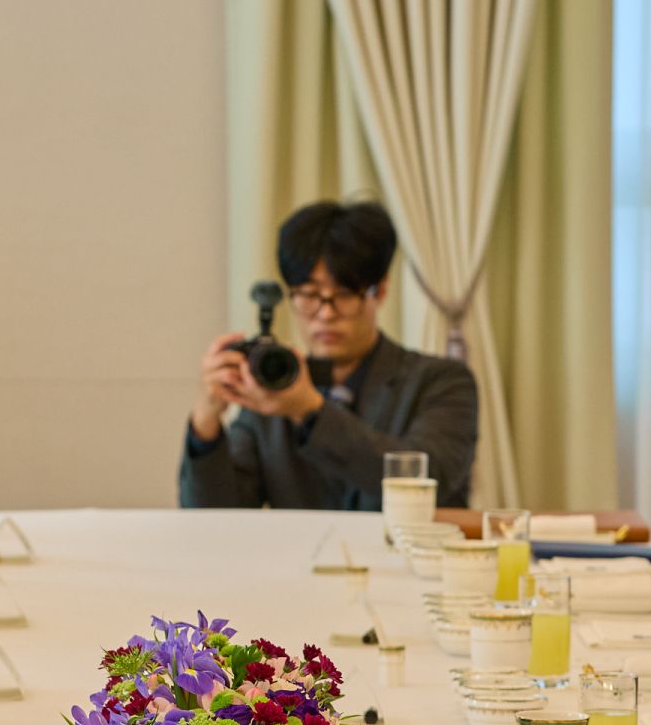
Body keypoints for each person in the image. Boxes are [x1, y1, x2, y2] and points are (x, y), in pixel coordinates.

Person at [180, 199, 479, 511]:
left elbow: (429, 481)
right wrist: (206, 422)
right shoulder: (272, 389)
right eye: (309, 295)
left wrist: (310, 411)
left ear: (381, 291)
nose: (325, 313)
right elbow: (216, 516)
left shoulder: (441, 381)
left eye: (344, 294)